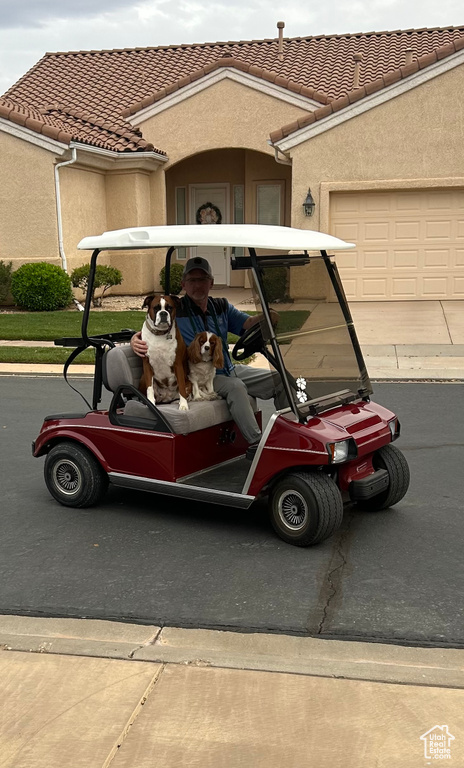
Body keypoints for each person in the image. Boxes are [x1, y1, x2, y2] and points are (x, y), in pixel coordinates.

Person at [130, 256, 288, 455]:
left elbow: (246, 324)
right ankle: (259, 447)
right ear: (183, 284)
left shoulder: (220, 306)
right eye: (192, 280)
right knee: (236, 387)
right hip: (200, 374)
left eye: (203, 279)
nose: (198, 285)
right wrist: (134, 339)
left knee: (281, 380)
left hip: (227, 368)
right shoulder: (177, 308)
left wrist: (267, 315)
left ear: (211, 282)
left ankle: (292, 435)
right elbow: (155, 326)